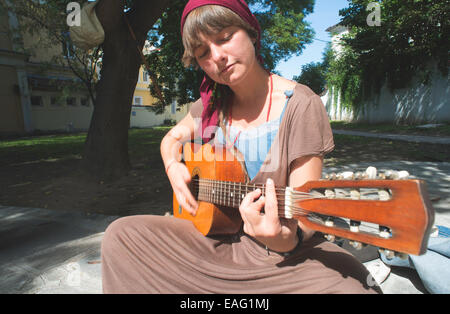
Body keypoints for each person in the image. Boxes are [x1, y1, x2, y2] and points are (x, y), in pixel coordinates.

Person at [101, 0, 380, 294]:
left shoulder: (300, 103)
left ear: (251, 32)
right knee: (120, 236)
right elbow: (171, 139)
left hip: (279, 255)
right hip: (214, 239)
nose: (217, 56)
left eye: (224, 38)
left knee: (356, 288)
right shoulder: (211, 104)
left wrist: (284, 239)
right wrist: (172, 165)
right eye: (203, 53)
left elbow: (306, 218)